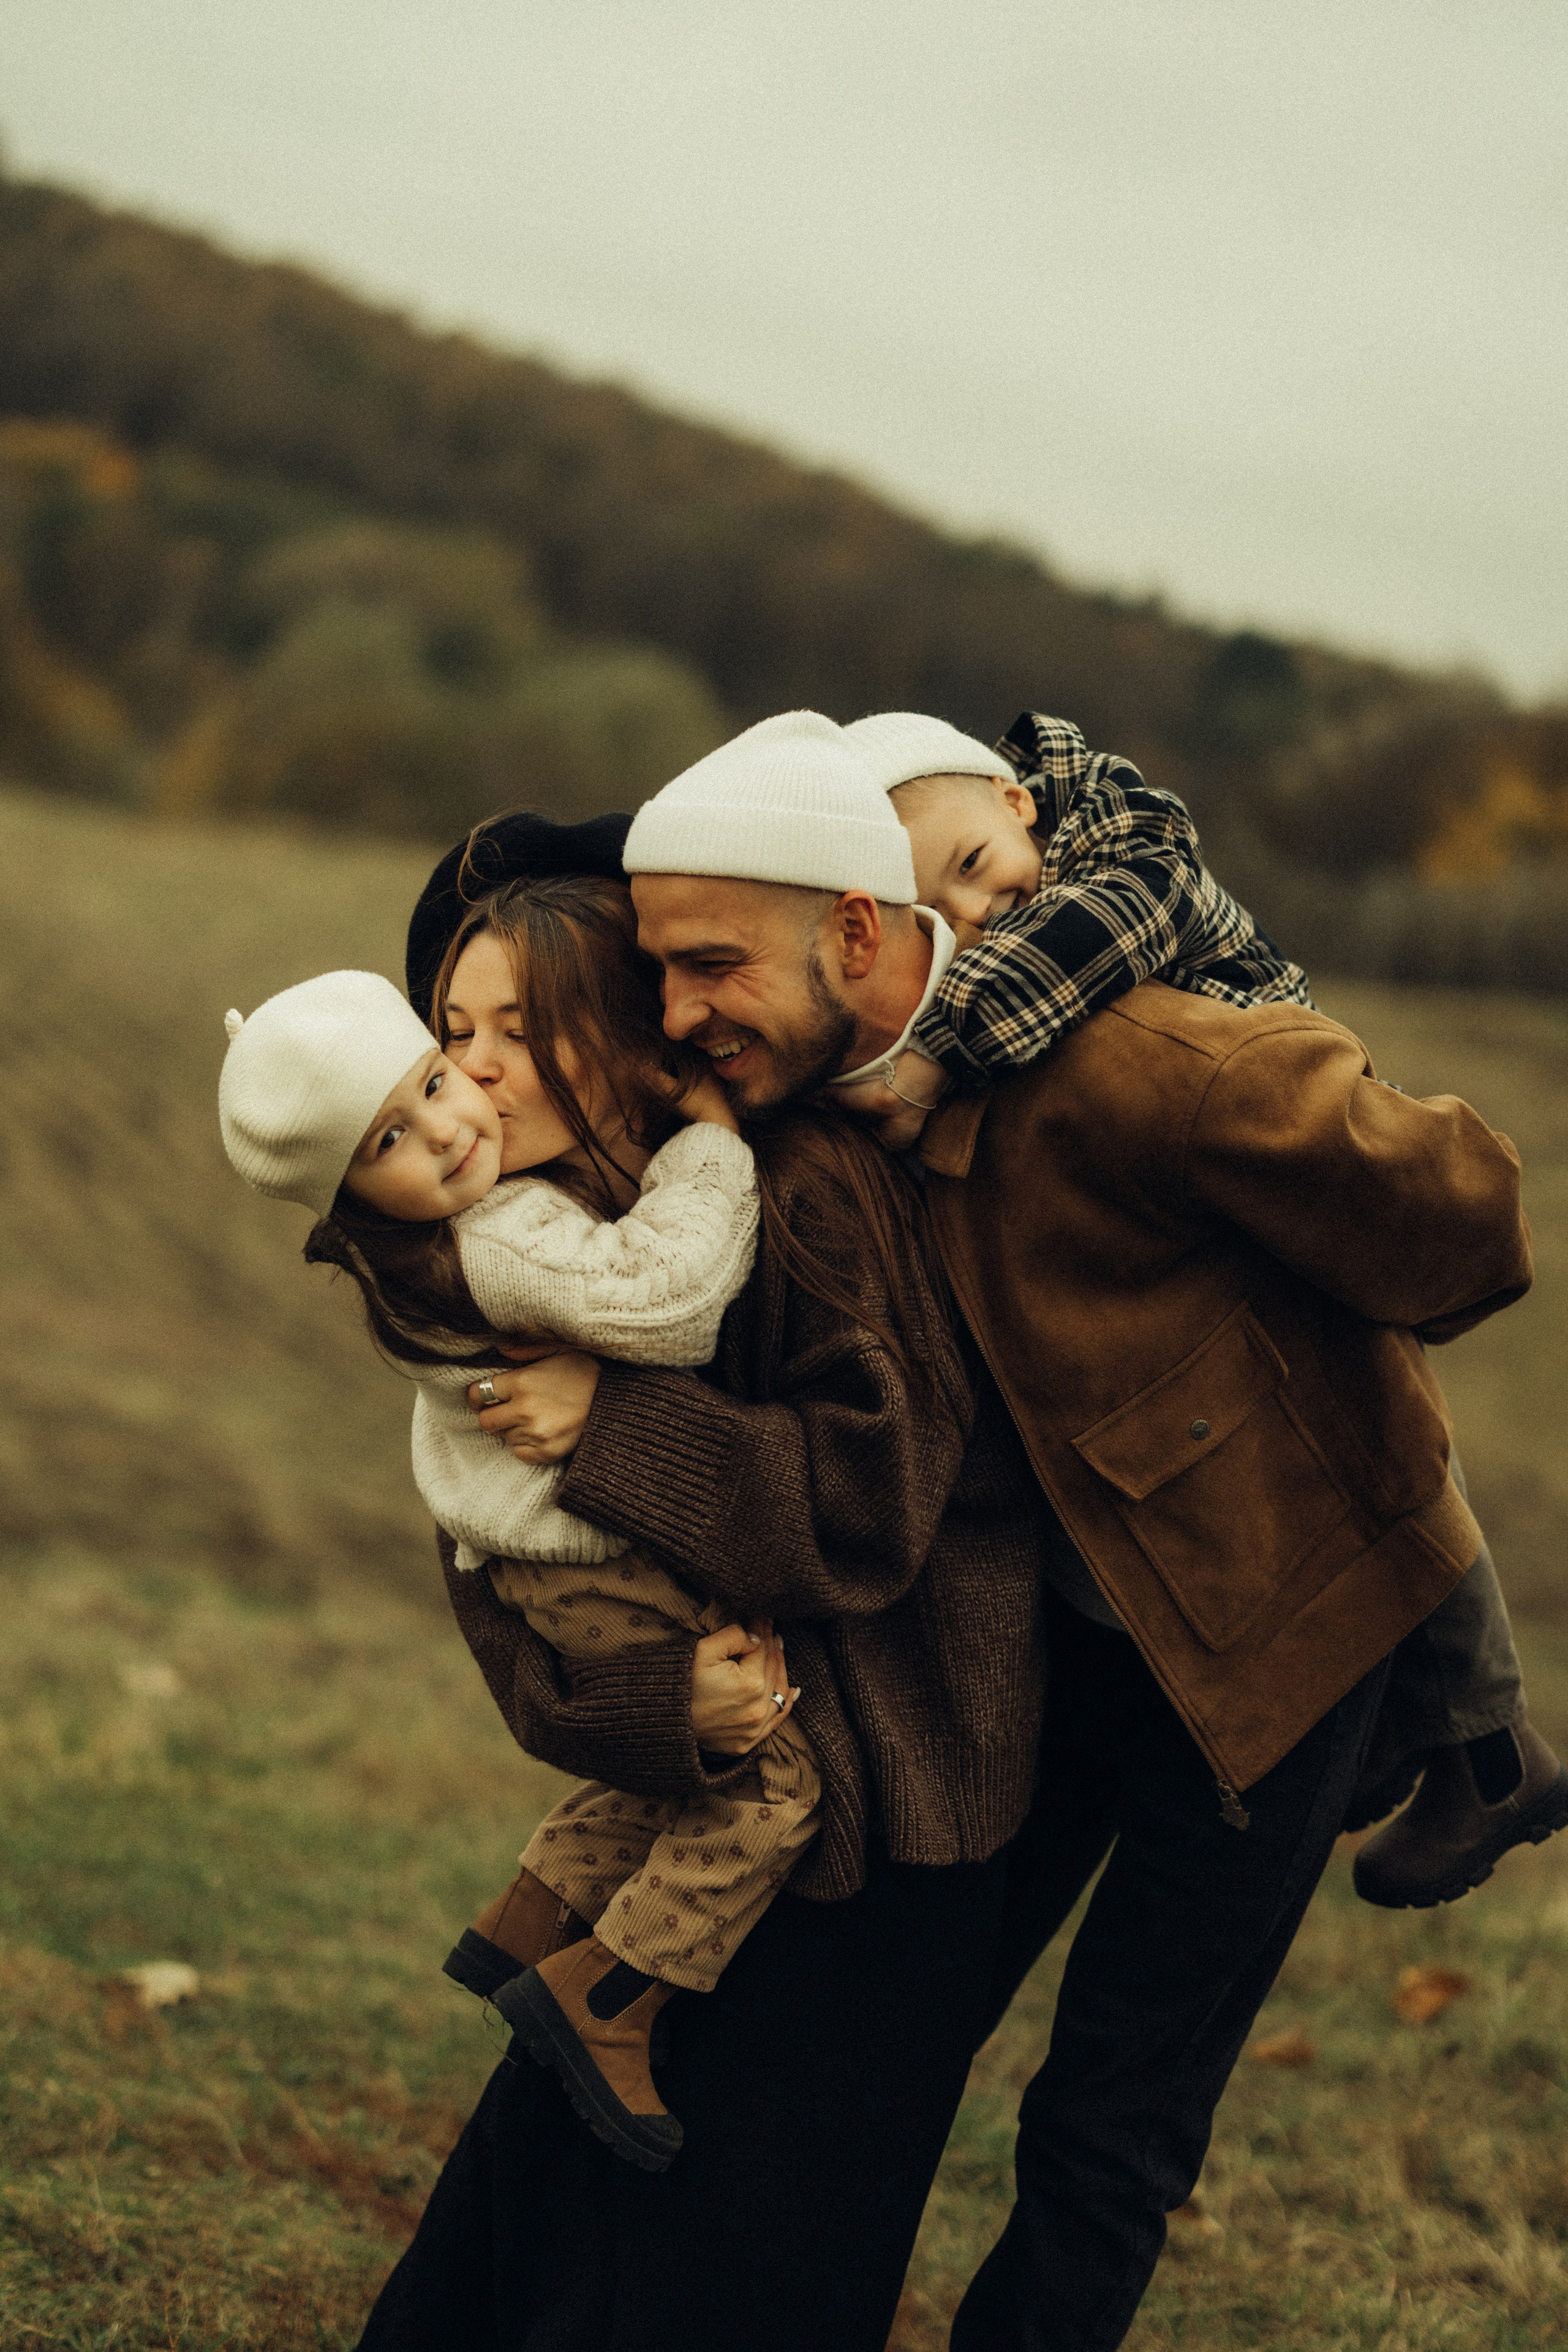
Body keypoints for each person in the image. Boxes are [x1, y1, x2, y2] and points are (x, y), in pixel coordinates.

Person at [557, 704, 1530, 2352]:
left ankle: (1488, 1746)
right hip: (1071, 1646)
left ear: (860, 931)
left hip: (1274, 1666)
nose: (679, 1010)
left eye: (711, 964)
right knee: (907, 2015)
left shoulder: (1138, 1062)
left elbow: (1467, 1216)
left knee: (1109, 2127)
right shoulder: (818, 1120)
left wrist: (1310, 1324)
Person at [356, 803, 1055, 2352]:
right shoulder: (527, 1247)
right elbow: (502, 1600)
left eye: (515, 1033)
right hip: (704, 1817)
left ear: (622, 1037)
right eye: (447, 1032)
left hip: (887, 1833)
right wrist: (647, 1707)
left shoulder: (792, 1193)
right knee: (524, 2237)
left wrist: (619, 1429)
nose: (464, 1072)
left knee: (737, 2271)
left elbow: (878, 1506)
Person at [824, 706, 1566, 1911]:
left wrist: (935, 1053)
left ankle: (1483, 1740)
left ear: (1019, 805)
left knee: (1368, 1389)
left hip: (1287, 1106)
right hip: (1204, 1166)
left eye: (970, 868)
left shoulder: (1121, 840)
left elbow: (1083, 941)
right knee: (1329, 1394)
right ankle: (1457, 1734)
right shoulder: (1018, 891)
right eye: (932, 916)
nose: (972, 916)